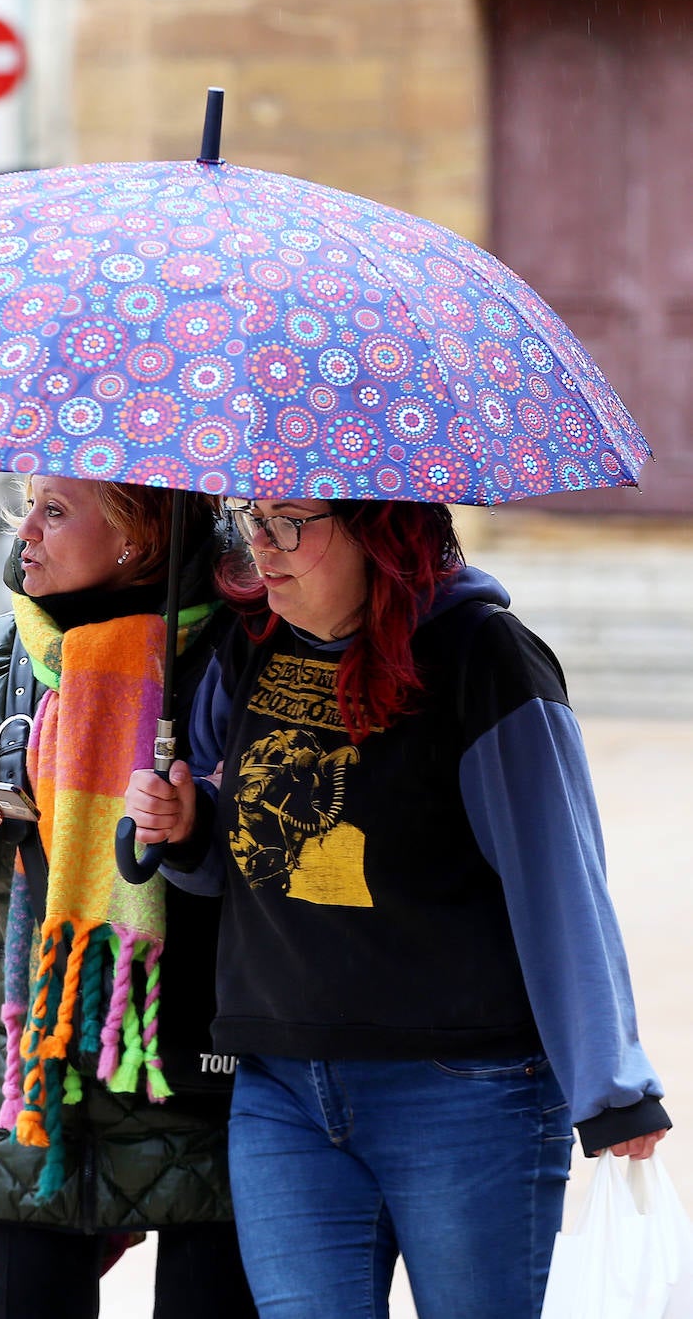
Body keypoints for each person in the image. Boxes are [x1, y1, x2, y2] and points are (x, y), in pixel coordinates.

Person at [124, 494, 672, 1319]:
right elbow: (221, 872)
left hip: (463, 1091)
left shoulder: (480, 656)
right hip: (281, 1081)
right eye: (253, 520)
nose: (262, 548)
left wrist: (611, 1085)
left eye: (291, 524)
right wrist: (185, 826)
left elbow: (557, 880)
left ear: (380, 533)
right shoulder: (248, 647)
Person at [0, 474, 257, 1319]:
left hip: (184, 1054)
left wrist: (196, 821)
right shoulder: (0, 657)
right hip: (31, 1064)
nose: (23, 530)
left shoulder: (238, 654)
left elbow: (278, 853)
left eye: (54, 511)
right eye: (27, 504)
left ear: (137, 536)